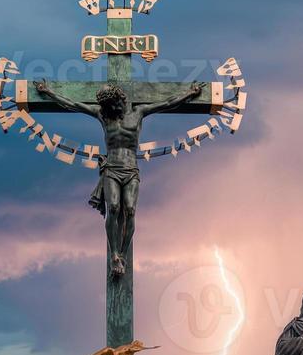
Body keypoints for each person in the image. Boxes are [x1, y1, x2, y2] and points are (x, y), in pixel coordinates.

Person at [34, 79, 205, 276]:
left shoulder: (138, 113)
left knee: (130, 210)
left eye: (114, 105)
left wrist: (190, 94)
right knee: (113, 208)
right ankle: (115, 254)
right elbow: (73, 104)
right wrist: (48, 92)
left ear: (120, 99)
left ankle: (122, 254)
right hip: (112, 169)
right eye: (108, 107)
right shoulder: (103, 116)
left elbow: (167, 103)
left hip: (131, 168)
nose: (112, 109)